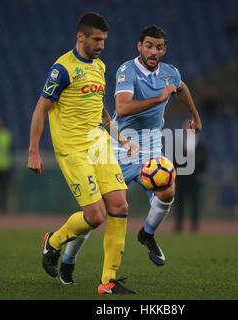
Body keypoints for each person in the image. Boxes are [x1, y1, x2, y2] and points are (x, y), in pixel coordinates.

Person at [62, 25, 202, 281]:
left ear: (164, 49)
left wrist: (195, 115)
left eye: (159, 47)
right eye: (148, 45)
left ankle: (147, 235)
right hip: (118, 149)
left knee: (168, 191)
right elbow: (123, 108)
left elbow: (181, 89)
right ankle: (68, 260)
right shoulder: (127, 70)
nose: (153, 51)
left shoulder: (170, 72)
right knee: (96, 215)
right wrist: (160, 99)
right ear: (139, 46)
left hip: (149, 151)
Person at [27, 12, 139, 294]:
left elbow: (99, 110)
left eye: (104, 40)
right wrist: (33, 152)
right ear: (81, 36)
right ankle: (53, 241)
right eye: (96, 39)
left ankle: (108, 282)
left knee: (120, 207)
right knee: (96, 215)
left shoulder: (99, 66)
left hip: (98, 143)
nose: (102, 45)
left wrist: (121, 138)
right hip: (72, 148)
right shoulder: (62, 69)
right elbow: (41, 109)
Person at [175, 120, 207, 232]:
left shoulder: (200, 145)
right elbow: (174, 162)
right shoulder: (178, 145)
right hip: (181, 179)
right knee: (179, 203)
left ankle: (194, 226)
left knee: (195, 203)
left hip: (194, 180)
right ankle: (178, 225)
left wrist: (201, 175)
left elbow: (203, 162)